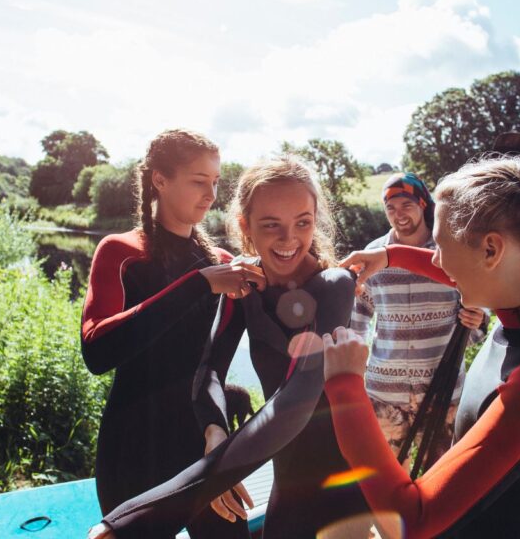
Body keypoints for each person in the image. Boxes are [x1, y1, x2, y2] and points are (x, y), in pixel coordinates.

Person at [88, 156, 371, 539]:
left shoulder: (332, 286)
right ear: (246, 225)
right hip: (287, 481)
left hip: (342, 480)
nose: (289, 239)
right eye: (272, 225)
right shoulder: (245, 287)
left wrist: (142, 516)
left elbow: (296, 400)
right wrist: (214, 429)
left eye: (302, 222)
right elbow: (210, 372)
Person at [325, 155, 520, 538]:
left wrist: (344, 387)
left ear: (491, 251)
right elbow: (456, 268)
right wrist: (391, 255)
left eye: (439, 246)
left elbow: (417, 519)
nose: (436, 260)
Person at [80, 130, 265, 539]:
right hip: (132, 447)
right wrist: (199, 284)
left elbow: (216, 360)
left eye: (216, 182)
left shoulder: (221, 263)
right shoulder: (121, 252)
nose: (211, 194)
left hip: (202, 440)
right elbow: (96, 351)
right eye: (199, 181)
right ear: (159, 180)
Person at [351, 172, 486, 469]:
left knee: (442, 477)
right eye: (391, 208)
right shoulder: (373, 257)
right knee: (386, 477)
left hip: (443, 391)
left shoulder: (450, 253)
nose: (398, 214)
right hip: (385, 393)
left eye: (406, 205)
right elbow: (357, 320)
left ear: (423, 203)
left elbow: (480, 314)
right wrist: (350, 375)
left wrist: (479, 318)